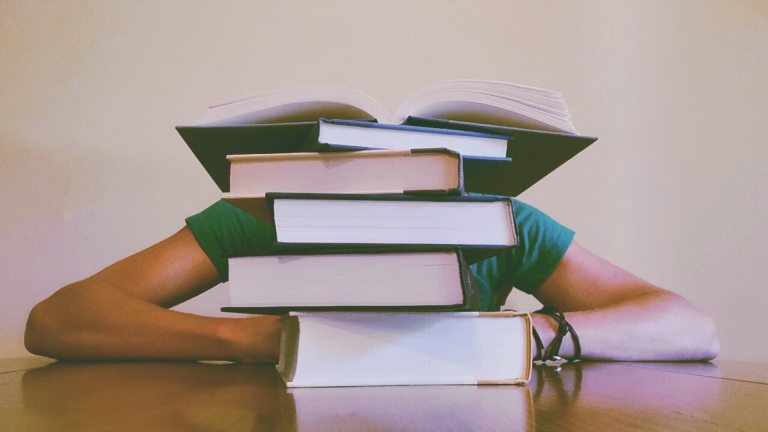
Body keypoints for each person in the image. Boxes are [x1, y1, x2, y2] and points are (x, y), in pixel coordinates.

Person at [24, 198, 719, 363]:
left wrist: (534, 333)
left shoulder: (498, 223)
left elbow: (689, 324)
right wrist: (264, 340)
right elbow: (57, 319)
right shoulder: (264, 213)